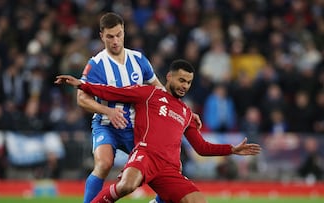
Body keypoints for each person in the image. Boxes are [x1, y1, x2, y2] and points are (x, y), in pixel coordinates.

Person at [55, 59, 261, 203]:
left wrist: (231, 149)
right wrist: (83, 84)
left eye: (188, 82)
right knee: (127, 184)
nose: (185, 86)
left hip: (170, 169)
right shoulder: (150, 93)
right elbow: (112, 91)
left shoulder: (187, 112)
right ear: (169, 77)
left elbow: (201, 147)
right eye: (181, 80)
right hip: (146, 154)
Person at [76, 12, 203, 203]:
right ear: (102, 36)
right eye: (110, 36)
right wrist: (108, 111)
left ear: (124, 32)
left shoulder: (138, 60)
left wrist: (185, 111)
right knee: (104, 164)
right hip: (106, 124)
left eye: (119, 35)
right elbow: (81, 99)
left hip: (136, 128)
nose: (115, 40)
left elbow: (161, 91)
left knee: (168, 171)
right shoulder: (96, 65)